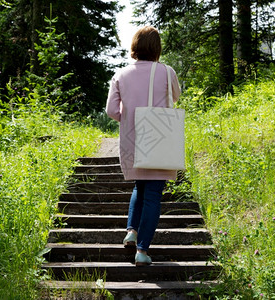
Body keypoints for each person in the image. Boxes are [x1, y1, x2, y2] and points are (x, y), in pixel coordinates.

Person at [105, 26, 181, 266]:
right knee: (153, 195)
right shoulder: (167, 72)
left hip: (131, 140)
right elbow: (175, 97)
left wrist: (128, 120)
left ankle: (131, 231)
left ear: (135, 46)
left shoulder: (120, 74)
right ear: (157, 48)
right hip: (158, 137)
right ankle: (142, 250)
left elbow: (111, 111)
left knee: (139, 186)